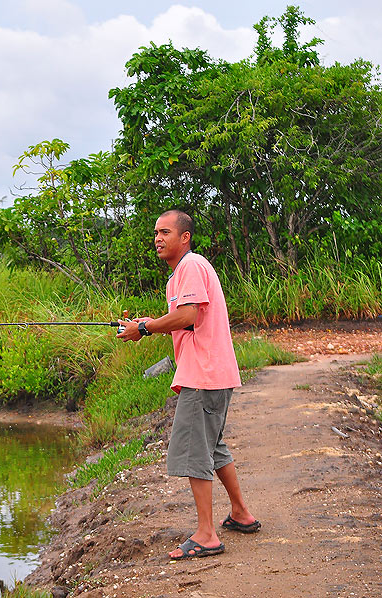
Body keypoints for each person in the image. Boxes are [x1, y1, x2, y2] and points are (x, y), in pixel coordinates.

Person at [116, 209, 260, 560]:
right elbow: (187, 321)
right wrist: (147, 323)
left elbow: (189, 315)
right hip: (211, 374)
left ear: (185, 237)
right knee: (213, 447)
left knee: (198, 449)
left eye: (165, 232)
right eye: (155, 233)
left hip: (204, 375)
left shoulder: (192, 266)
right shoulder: (182, 272)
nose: (158, 239)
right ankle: (241, 513)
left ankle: (206, 535)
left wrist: (146, 328)